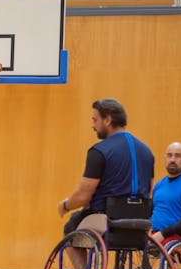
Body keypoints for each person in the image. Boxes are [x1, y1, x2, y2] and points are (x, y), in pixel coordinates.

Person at [57, 98, 155, 231]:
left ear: (108, 120)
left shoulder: (99, 151)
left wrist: (65, 205)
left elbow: (83, 197)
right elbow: (150, 192)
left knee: (70, 228)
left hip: (107, 218)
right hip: (140, 219)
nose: (93, 126)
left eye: (95, 120)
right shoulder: (147, 151)